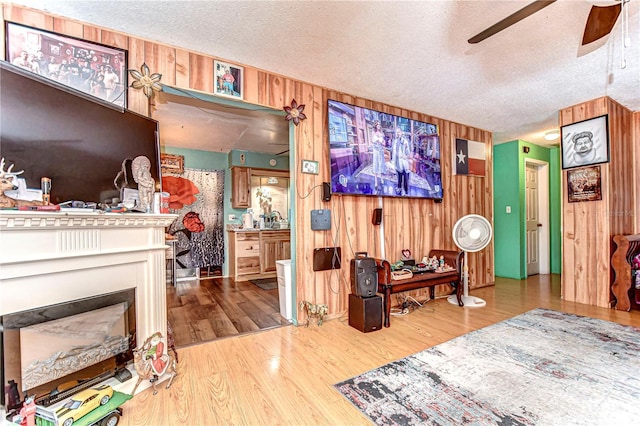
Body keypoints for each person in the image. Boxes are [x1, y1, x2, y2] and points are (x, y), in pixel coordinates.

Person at [392, 127, 411, 195]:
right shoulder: (395, 141)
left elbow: (408, 153)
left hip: (404, 163)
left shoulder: (405, 141)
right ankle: (399, 188)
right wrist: (393, 162)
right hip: (398, 163)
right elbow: (394, 152)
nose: (398, 133)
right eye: (396, 132)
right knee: (399, 177)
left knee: (405, 178)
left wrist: (405, 154)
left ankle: (406, 192)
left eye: (399, 132)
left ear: (401, 132)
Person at [371, 120, 386, 192]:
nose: (378, 126)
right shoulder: (373, 133)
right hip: (376, 151)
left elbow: (384, 143)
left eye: (379, 124)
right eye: (377, 124)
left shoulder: (382, 133)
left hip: (381, 151)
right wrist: (377, 140)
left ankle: (382, 178)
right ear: (375, 126)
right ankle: (376, 181)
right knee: (376, 164)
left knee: (382, 164)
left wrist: (381, 142)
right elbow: (373, 141)